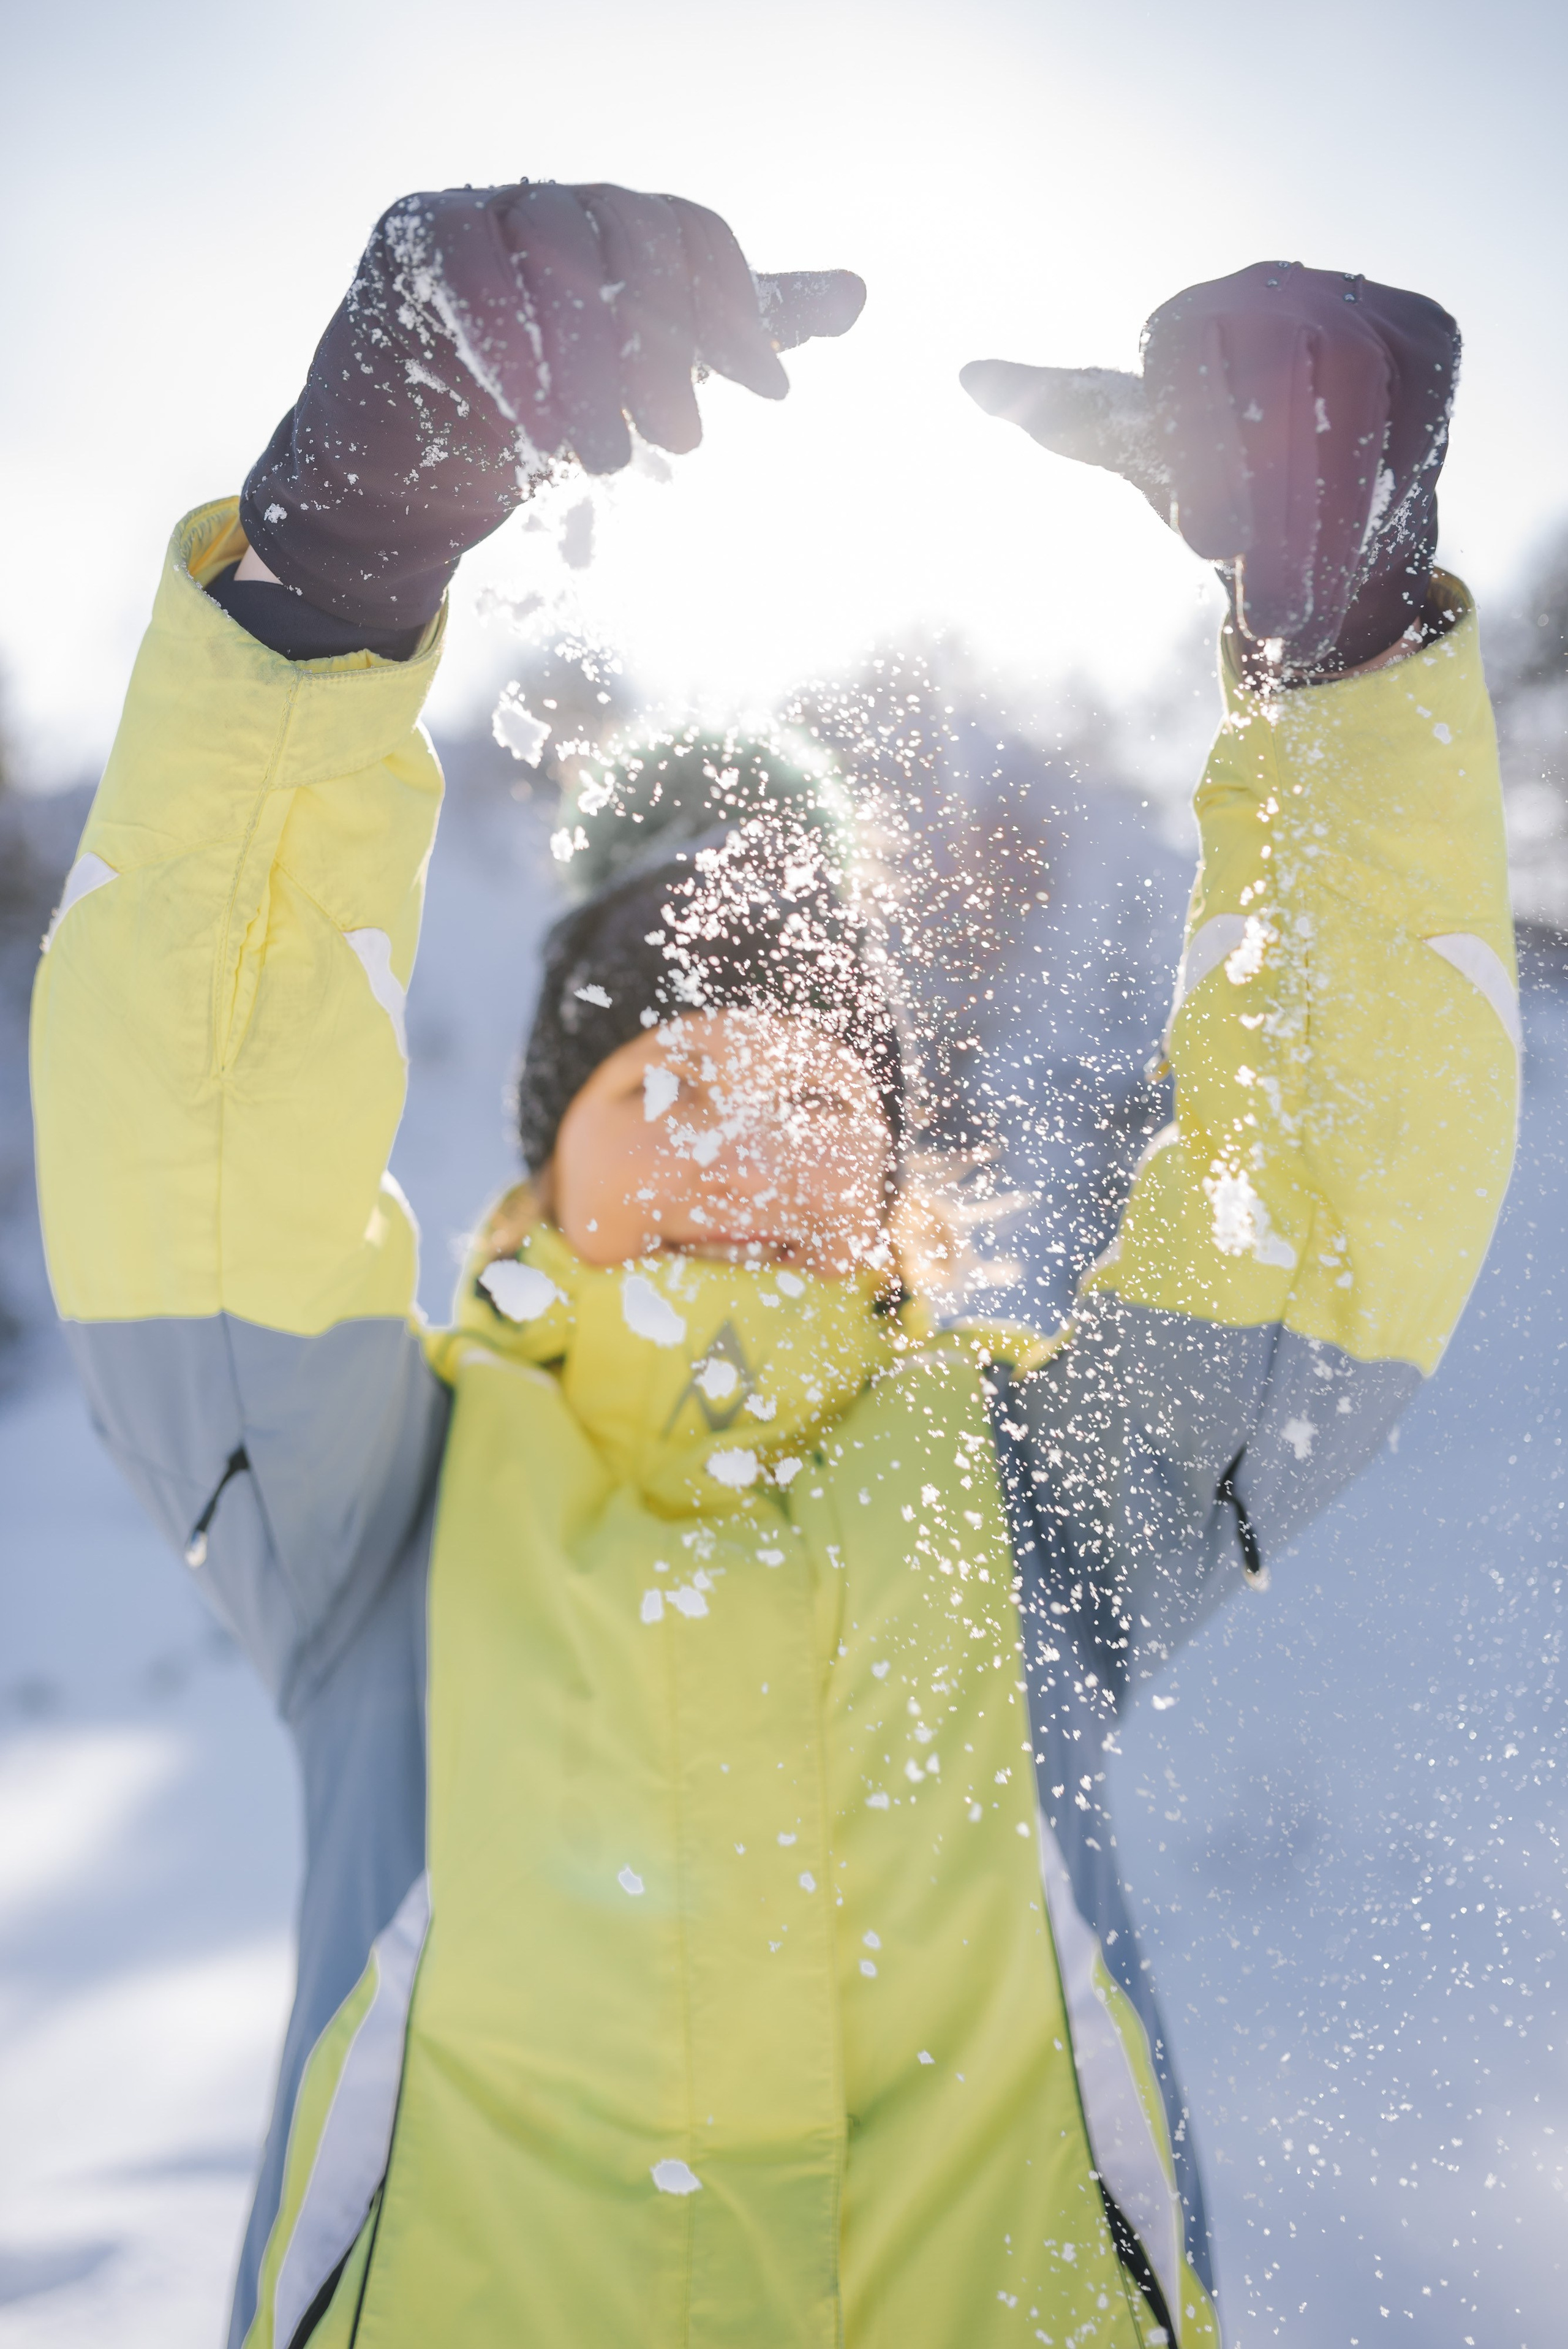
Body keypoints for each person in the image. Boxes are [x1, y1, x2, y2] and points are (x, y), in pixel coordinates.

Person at [29, 182, 1516, 2349]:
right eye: (664, 1086)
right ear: (536, 1185)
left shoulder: (1041, 1495)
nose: (738, 1126)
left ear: (900, 1180)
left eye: (806, 1084)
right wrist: (320, 589)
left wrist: (1345, 674)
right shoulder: (373, 1510)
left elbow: (1334, 1190)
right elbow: (197, 1119)